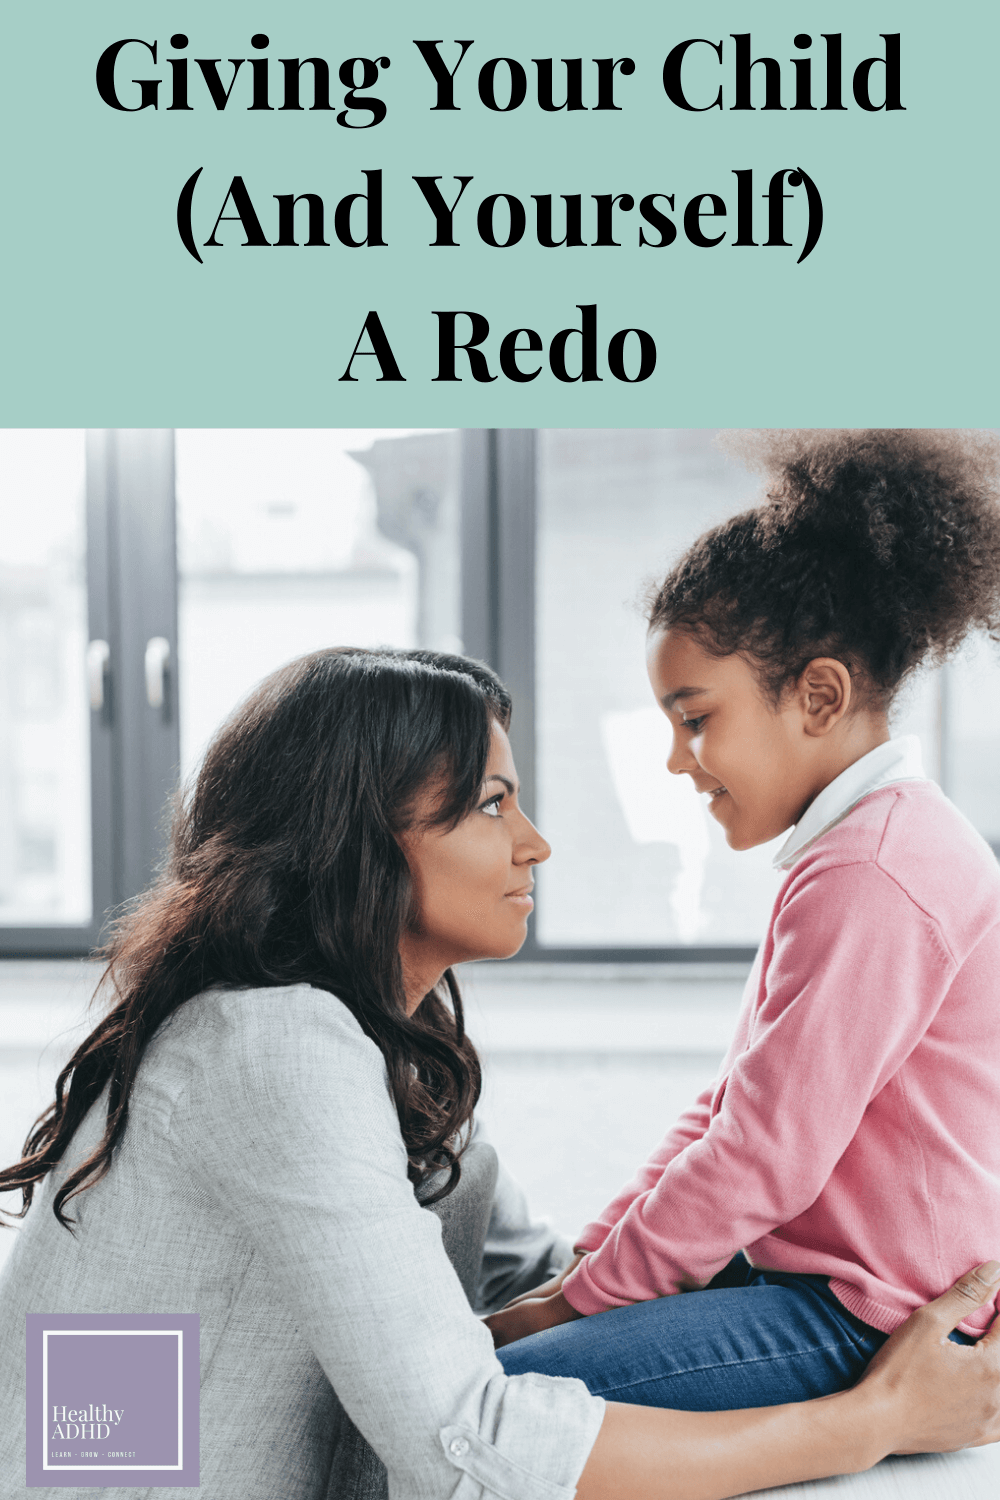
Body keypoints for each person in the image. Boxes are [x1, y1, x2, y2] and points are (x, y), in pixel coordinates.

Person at [1, 645, 999, 1500]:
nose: (536, 844)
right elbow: (468, 1441)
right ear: (357, 841)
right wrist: (874, 1417)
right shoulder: (271, 1048)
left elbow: (542, 1284)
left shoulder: (373, 1051)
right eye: (490, 805)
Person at [488, 429, 1000, 1417]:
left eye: (694, 719)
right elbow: (732, 1106)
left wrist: (570, 1310)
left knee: (489, 1402)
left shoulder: (876, 872)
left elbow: (761, 1152)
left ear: (817, 695)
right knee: (494, 1346)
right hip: (816, 1282)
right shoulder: (856, 847)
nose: (680, 763)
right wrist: (596, 1254)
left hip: (861, 1315)